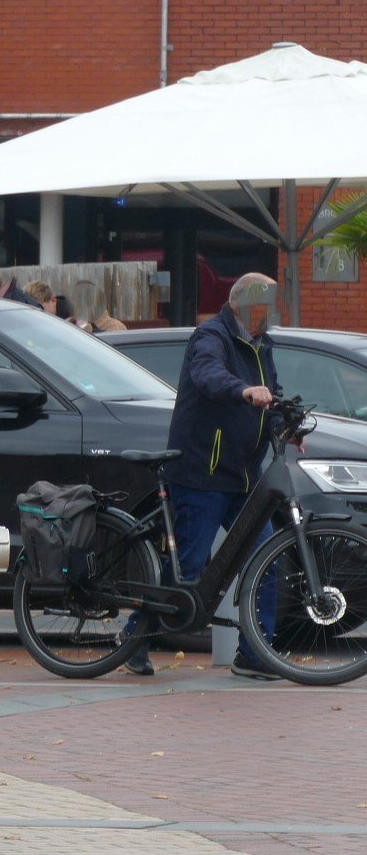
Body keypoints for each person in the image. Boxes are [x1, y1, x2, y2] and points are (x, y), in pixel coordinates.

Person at [124, 273, 282, 680]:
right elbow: (207, 375)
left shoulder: (261, 345)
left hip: (243, 476)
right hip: (202, 473)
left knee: (268, 559)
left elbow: (273, 393)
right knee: (190, 569)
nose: (263, 317)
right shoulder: (211, 337)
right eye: (258, 309)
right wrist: (244, 391)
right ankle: (134, 641)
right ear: (239, 306)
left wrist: (287, 426)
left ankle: (254, 653)